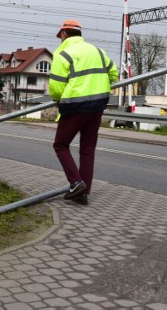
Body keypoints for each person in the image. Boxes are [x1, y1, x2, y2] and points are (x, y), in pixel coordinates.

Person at [49, 19, 118, 205]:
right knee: (87, 150)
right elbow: (114, 74)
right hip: (97, 106)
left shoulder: (62, 53)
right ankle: (83, 193)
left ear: (64, 34)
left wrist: (60, 98)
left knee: (61, 145)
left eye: (60, 37)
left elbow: (55, 87)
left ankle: (76, 183)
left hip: (74, 107)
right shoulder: (97, 51)